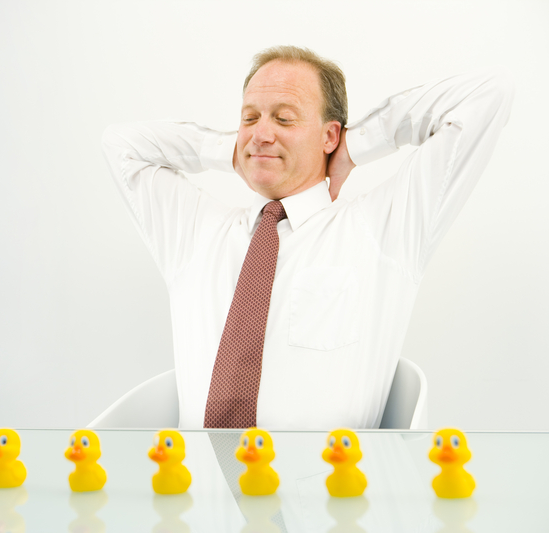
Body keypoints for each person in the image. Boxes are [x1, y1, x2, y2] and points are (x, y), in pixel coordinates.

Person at [101, 46, 513, 430]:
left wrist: (357, 145)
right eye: (249, 118)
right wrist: (235, 149)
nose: (261, 132)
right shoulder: (195, 233)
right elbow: (121, 146)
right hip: (196, 495)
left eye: (283, 118)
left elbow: (488, 94)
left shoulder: (384, 228)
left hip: (326, 499)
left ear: (329, 135)